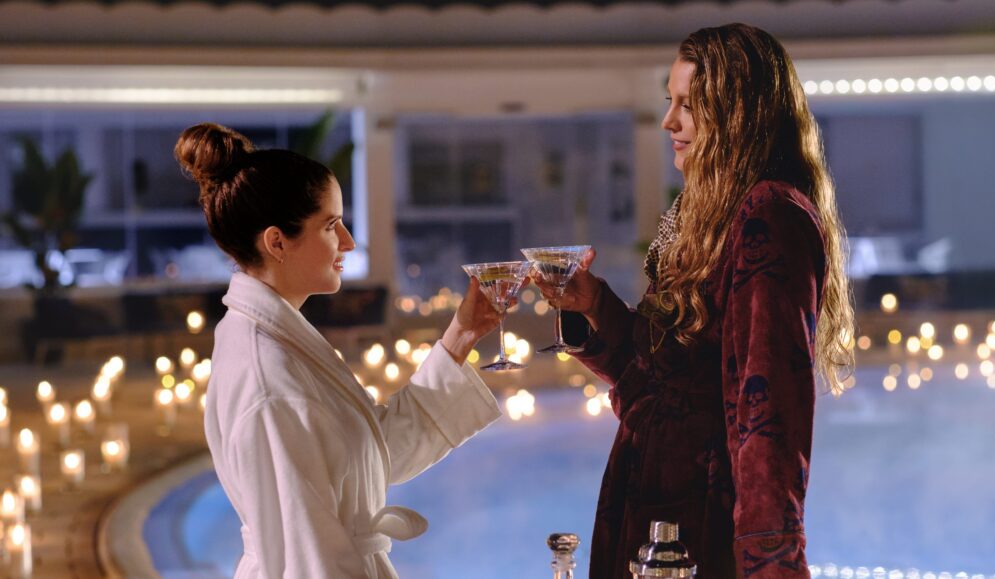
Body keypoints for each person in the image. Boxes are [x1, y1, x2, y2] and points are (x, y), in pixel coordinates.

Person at [534, 24, 855, 578]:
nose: (669, 121)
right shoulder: (701, 212)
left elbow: (769, 414)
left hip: (702, 523)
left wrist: (769, 562)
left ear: (738, 114)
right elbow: (656, 382)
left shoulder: (770, 216)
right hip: (650, 501)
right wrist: (593, 304)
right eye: (670, 101)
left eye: (689, 104)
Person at [175, 123, 503, 579]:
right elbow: (312, 562)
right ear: (277, 242)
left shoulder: (281, 340)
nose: (348, 242)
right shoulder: (271, 382)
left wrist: (461, 336)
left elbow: (370, 456)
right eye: (331, 226)